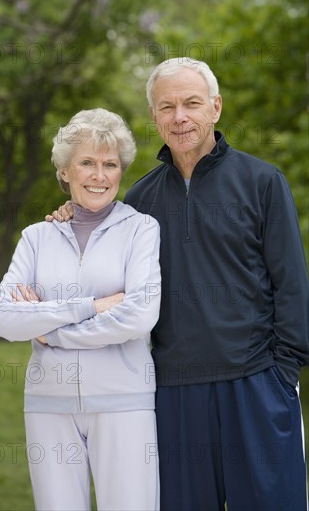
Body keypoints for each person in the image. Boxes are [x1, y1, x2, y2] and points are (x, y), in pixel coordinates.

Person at [48, 58, 309, 510]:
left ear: (215, 108)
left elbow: (292, 286)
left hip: (256, 384)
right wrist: (70, 214)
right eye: (166, 107)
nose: (180, 117)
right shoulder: (140, 199)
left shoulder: (263, 183)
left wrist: (283, 375)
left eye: (191, 103)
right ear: (154, 117)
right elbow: (107, 271)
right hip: (173, 392)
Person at [0, 108, 161, 511]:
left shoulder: (141, 229)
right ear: (65, 171)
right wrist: (93, 305)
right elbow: (4, 317)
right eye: (87, 163)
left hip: (125, 403)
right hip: (48, 404)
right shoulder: (36, 237)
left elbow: (139, 315)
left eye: (110, 165)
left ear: (121, 171)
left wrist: (50, 328)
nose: (99, 176)